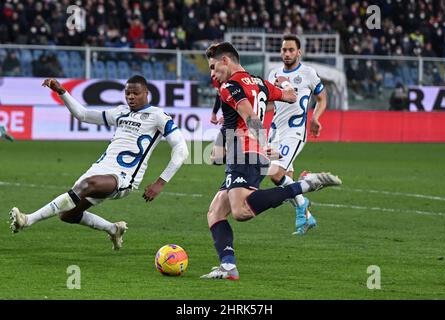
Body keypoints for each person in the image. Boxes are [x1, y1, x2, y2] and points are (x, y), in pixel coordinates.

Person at [201, 42, 342, 280]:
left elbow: (251, 115)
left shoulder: (230, 87)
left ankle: (304, 185)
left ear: (226, 61)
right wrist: (284, 84)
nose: (213, 74)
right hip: (244, 152)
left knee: (241, 211)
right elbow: (290, 96)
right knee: (215, 212)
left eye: (214, 67)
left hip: (245, 152)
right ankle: (228, 267)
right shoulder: (260, 83)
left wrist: (263, 144)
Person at [9, 75, 189, 250]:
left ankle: (27, 220)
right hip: (99, 168)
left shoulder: (158, 116)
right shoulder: (120, 112)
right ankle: (113, 229)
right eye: (127, 94)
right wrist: (62, 92)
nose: (131, 97)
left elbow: (181, 150)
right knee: (67, 214)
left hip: (124, 178)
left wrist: (160, 182)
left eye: (136, 93)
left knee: (88, 185)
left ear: (146, 93)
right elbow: (84, 115)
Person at [266, 34, 327, 235]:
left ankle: (305, 199)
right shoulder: (274, 74)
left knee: (275, 174)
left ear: (298, 52)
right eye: (284, 50)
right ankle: (307, 219)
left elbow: (322, 98)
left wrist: (315, 118)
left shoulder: (308, 73)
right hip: (274, 132)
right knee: (286, 188)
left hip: (294, 132)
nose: (287, 53)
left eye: (291, 50)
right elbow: (269, 103)